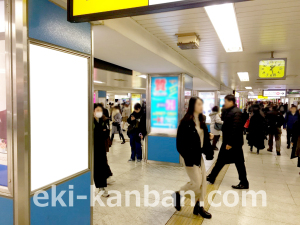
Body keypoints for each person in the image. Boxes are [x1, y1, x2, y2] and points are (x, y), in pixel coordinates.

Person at [173, 97, 214, 219]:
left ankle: (199, 207)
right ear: (192, 106)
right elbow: (180, 144)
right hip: (190, 157)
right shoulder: (185, 123)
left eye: (202, 104)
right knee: (196, 183)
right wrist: (187, 157)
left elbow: (204, 138)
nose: (201, 106)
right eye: (199, 104)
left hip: (199, 156)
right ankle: (178, 194)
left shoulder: (202, 121)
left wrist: (209, 151)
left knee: (203, 184)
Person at [207, 95, 249, 189]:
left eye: (226, 101)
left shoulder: (237, 112)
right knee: (222, 160)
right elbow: (223, 120)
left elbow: (236, 129)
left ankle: (244, 182)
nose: (224, 103)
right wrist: (223, 109)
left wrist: (230, 143)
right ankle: (212, 177)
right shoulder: (230, 111)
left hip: (233, 143)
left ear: (231, 102)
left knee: (238, 163)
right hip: (229, 141)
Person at [93, 103, 113, 197]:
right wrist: (102, 133)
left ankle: (102, 188)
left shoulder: (102, 120)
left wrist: (101, 133)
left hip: (101, 148)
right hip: (92, 148)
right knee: (94, 168)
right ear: (93, 111)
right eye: (97, 110)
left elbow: (106, 134)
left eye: (100, 110)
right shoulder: (90, 122)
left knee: (101, 167)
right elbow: (94, 135)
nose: (99, 112)